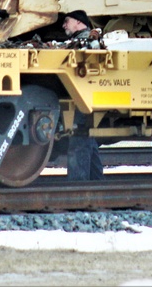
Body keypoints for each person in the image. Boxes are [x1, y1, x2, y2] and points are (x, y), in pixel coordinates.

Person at [62, 10, 105, 181]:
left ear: (79, 23)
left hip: (83, 96)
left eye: (67, 21)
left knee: (79, 136)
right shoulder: (81, 39)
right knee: (87, 138)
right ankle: (96, 182)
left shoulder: (86, 40)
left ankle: (77, 185)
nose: (64, 25)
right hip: (86, 95)